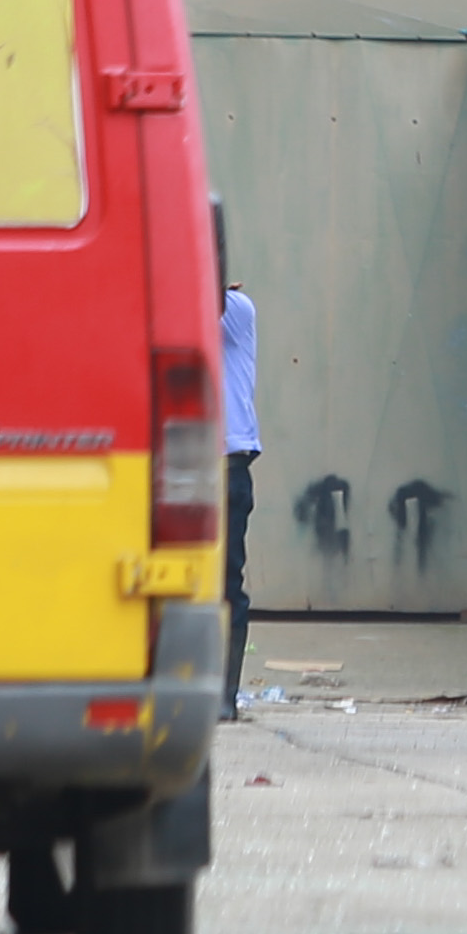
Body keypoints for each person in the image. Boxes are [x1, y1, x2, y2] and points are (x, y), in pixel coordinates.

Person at [219, 279, 261, 722]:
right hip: (175, 465)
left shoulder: (235, 309)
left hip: (226, 464)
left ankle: (223, 696)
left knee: (226, 583)